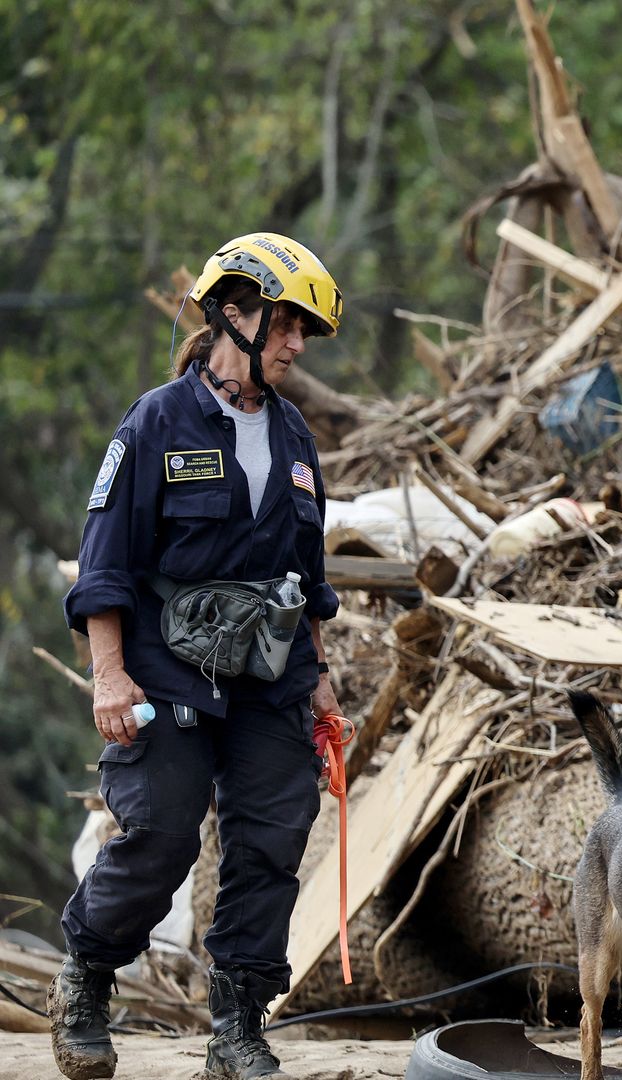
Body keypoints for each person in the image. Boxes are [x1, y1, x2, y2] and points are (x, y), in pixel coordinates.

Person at [49, 233, 346, 1080]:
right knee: (164, 835)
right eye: (287, 326)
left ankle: (238, 1030)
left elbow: (309, 582)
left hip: (270, 682)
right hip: (166, 673)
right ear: (233, 313)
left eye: (303, 333)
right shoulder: (154, 423)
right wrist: (109, 675)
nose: (295, 346)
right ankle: (87, 975)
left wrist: (320, 683)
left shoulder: (294, 441)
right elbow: (104, 565)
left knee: (270, 843)